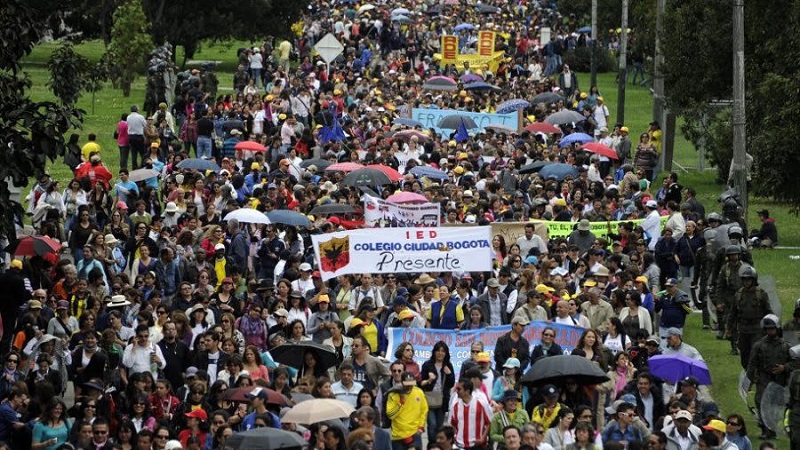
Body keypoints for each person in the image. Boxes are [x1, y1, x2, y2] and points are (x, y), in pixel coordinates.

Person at [746, 314, 793, 439]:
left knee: (777, 405)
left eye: (772, 328)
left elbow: (794, 363)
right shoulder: (759, 345)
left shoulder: (785, 346)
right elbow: (752, 364)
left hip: (780, 380)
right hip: (763, 379)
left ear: (777, 329)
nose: (770, 331)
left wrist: (784, 368)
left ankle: (773, 429)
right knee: (761, 402)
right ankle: (765, 430)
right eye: (768, 329)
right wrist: (749, 382)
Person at [726, 266, 772, 369]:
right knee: (744, 356)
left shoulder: (761, 294)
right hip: (743, 330)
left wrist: (772, 327)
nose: (746, 282)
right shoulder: (738, 295)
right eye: (744, 279)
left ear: (754, 280)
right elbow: (732, 313)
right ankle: (748, 373)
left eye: (749, 279)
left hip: (757, 329)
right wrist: (728, 328)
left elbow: (768, 312)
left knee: (755, 352)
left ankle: (757, 373)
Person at [386, 372, 428, 450]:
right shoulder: (393, 394)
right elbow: (390, 415)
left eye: (411, 383)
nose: (409, 386)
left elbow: (424, 410)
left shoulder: (419, 392)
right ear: (402, 382)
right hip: (398, 436)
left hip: (414, 433)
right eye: (407, 383)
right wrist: (401, 402)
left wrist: (421, 427)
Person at [450, 377, 493, 450]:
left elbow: (489, 422)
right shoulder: (455, 405)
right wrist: (455, 436)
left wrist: (482, 438)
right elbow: (453, 423)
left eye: (459, 389)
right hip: (460, 445)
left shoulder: (481, 403)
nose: (456, 391)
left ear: (467, 391)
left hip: (477, 445)